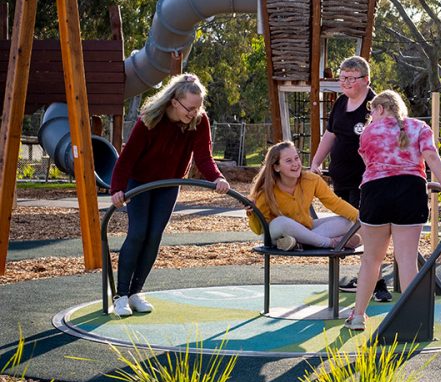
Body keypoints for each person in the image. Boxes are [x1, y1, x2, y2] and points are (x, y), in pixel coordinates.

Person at [109, 73, 230, 317]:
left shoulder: (199, 121)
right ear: (175, 101)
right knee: (138, 233)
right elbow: (127, 157)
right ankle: (121, 296)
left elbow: (203, 156)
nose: (194, 112)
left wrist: (216, 177)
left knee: (154, 236)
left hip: (168, 183)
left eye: (198, 107)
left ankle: (136, 292)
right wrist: (117, 188)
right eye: (190, 107)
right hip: (140, 182)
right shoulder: (150, 119)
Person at [344, 90, 441, 331]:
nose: (370, 116)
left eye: (371, 111)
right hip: (410, 191)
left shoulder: (368, 133)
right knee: (406, 259)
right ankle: (413, 319)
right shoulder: (418, 127)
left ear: (381, 109)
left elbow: (370, 165)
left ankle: (358, 316)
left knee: (371, 260)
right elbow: (430, 156)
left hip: (375, 192)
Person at [309, 56, 393, 302]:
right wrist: (316, 161)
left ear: (366, 80)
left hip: (367, 180)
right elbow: (331, 135)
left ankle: (378, 284)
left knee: (367, 228)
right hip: (341, 178)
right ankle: (364, 277)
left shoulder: (375, 106)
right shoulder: (340, 104)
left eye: (351, 78)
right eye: (342, 78)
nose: (345, 82)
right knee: (349, 228)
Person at [247, 141, 360, 251]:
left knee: (346, 222)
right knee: (281, 222)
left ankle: (297, 243)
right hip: (278, 233)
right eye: (288, 161)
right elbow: (259, 230)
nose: (295, 164)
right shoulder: (266, 190)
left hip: (306, 228)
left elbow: (334, 202)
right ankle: (330, 242)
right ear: (276, 167)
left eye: (296, 158)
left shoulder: (311, 180)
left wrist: (360, 217)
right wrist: (252, 214)